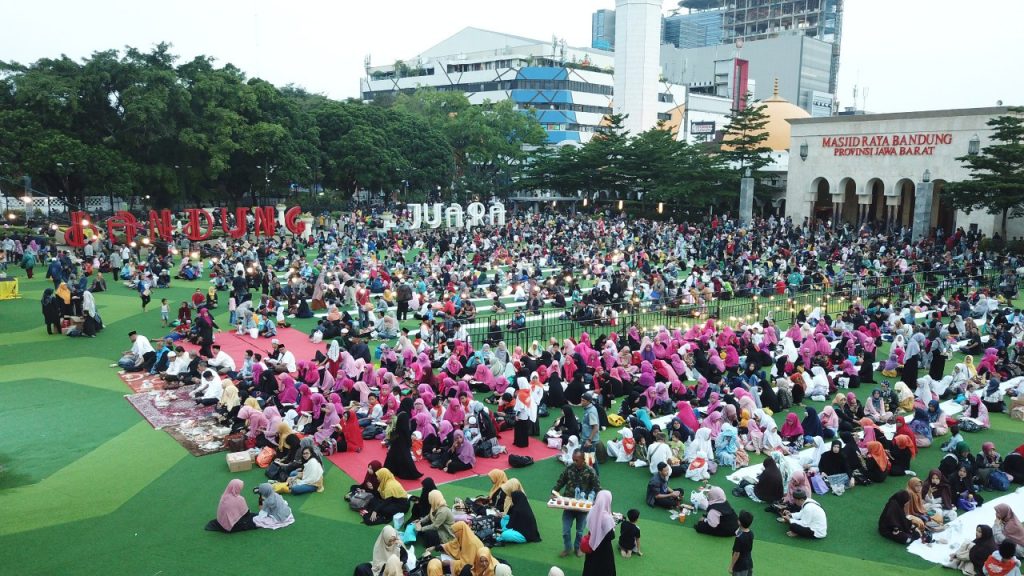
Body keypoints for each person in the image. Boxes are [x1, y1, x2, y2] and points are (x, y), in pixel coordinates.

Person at [551, 450, 601, 557]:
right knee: (565, 530)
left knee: (579, 531)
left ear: (583, 460)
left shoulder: (591, 471)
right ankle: (568, 548)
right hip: (569, 505)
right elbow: (561, 481)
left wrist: (598, 501)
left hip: (582, 507)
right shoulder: (569, 468)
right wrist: (554, 492)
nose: (574, 462)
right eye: (573, 459)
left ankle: (578, 548)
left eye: (576, 460)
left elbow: (597, 487)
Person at [582, 490, 616, 576]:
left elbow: (590, 526)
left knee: (591, 566)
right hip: (604, 549)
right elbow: (611, 536)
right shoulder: (607, 518)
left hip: (592, 543)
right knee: (604, 568)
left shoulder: (592, 510)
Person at [497, 479, 541, 544]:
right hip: (521, 528)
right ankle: (505, 531)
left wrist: (502, 532)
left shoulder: (517, 509)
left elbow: (511, 522)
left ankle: (502, 536)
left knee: (505, 534)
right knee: (504, 519)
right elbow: (513, 519)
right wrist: (503, 515)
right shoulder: (523, 506)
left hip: (524, 535)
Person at [384, 412, 422, 480]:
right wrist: (409, 442)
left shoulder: (400, 416)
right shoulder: (405, 417)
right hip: (403, 441)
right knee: (406, 457)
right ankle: (409, 473)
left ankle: (393, 470)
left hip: (397, 440)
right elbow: (406, 432)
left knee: (394, 456)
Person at [581, 392, 601, 473]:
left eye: (583, 401)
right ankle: (595, 476)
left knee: (588, 458)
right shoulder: (589, 409)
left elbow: (595, 427)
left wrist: (589, 440)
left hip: (589, 440)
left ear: (588, 401)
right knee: (591, 458)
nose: (581, 402)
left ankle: (592, 477)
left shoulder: (591, 412)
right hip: (588, 438)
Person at [730, 510, 754, 576]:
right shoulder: (751, 533)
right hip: (749, 563)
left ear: (739, 522)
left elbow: (736, 554)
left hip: (740, 566)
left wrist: (731, 566)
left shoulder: (739, 537)